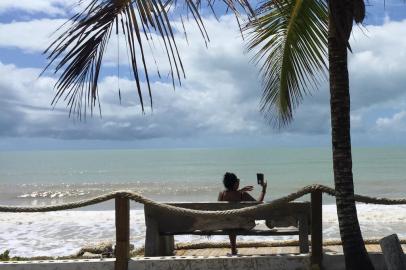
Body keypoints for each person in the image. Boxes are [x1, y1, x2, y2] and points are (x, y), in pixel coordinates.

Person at [218, 172, 267, 255]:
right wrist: (264, 189)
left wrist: (239, 190)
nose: (238, 182)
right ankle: (233, 249)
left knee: (231, 221)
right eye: (237, 181)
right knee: (236, 221)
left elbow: (219, 209)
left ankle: (233, 249)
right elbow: (258, 204)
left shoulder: (221, 194)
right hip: (242, 225)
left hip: (226, 226)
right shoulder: (242, 195)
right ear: (234, 184)